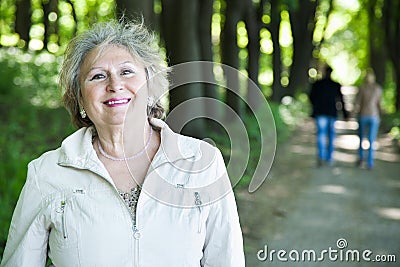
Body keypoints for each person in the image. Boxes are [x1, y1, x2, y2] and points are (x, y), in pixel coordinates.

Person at [1, 20, 245, 267]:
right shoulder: (47, 174)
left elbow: (227, 259)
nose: (114, 85)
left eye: (126, 72)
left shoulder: (201, 161)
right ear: (80, 99)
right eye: (97, 76)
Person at [309, 65, 348, 166]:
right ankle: (329, 158)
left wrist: (314, 107)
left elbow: (311, 97)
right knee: (331, 135)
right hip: (331, 113)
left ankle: (321, 156)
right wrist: (345, 114)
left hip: (320, 112)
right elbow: (341, 100)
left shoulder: (317, 84)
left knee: (321, 135)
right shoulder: (335, 85)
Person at [354, 69, 382, 170]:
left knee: (362, 138)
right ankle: (370, 162)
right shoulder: (378, 89)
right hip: (374, 116)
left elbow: (357, 103)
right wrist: (380, 115)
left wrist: (353, 113)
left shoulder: (362, 88)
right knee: (371, 139)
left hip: (363, 116)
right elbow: (379, 104)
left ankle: (361, 159)